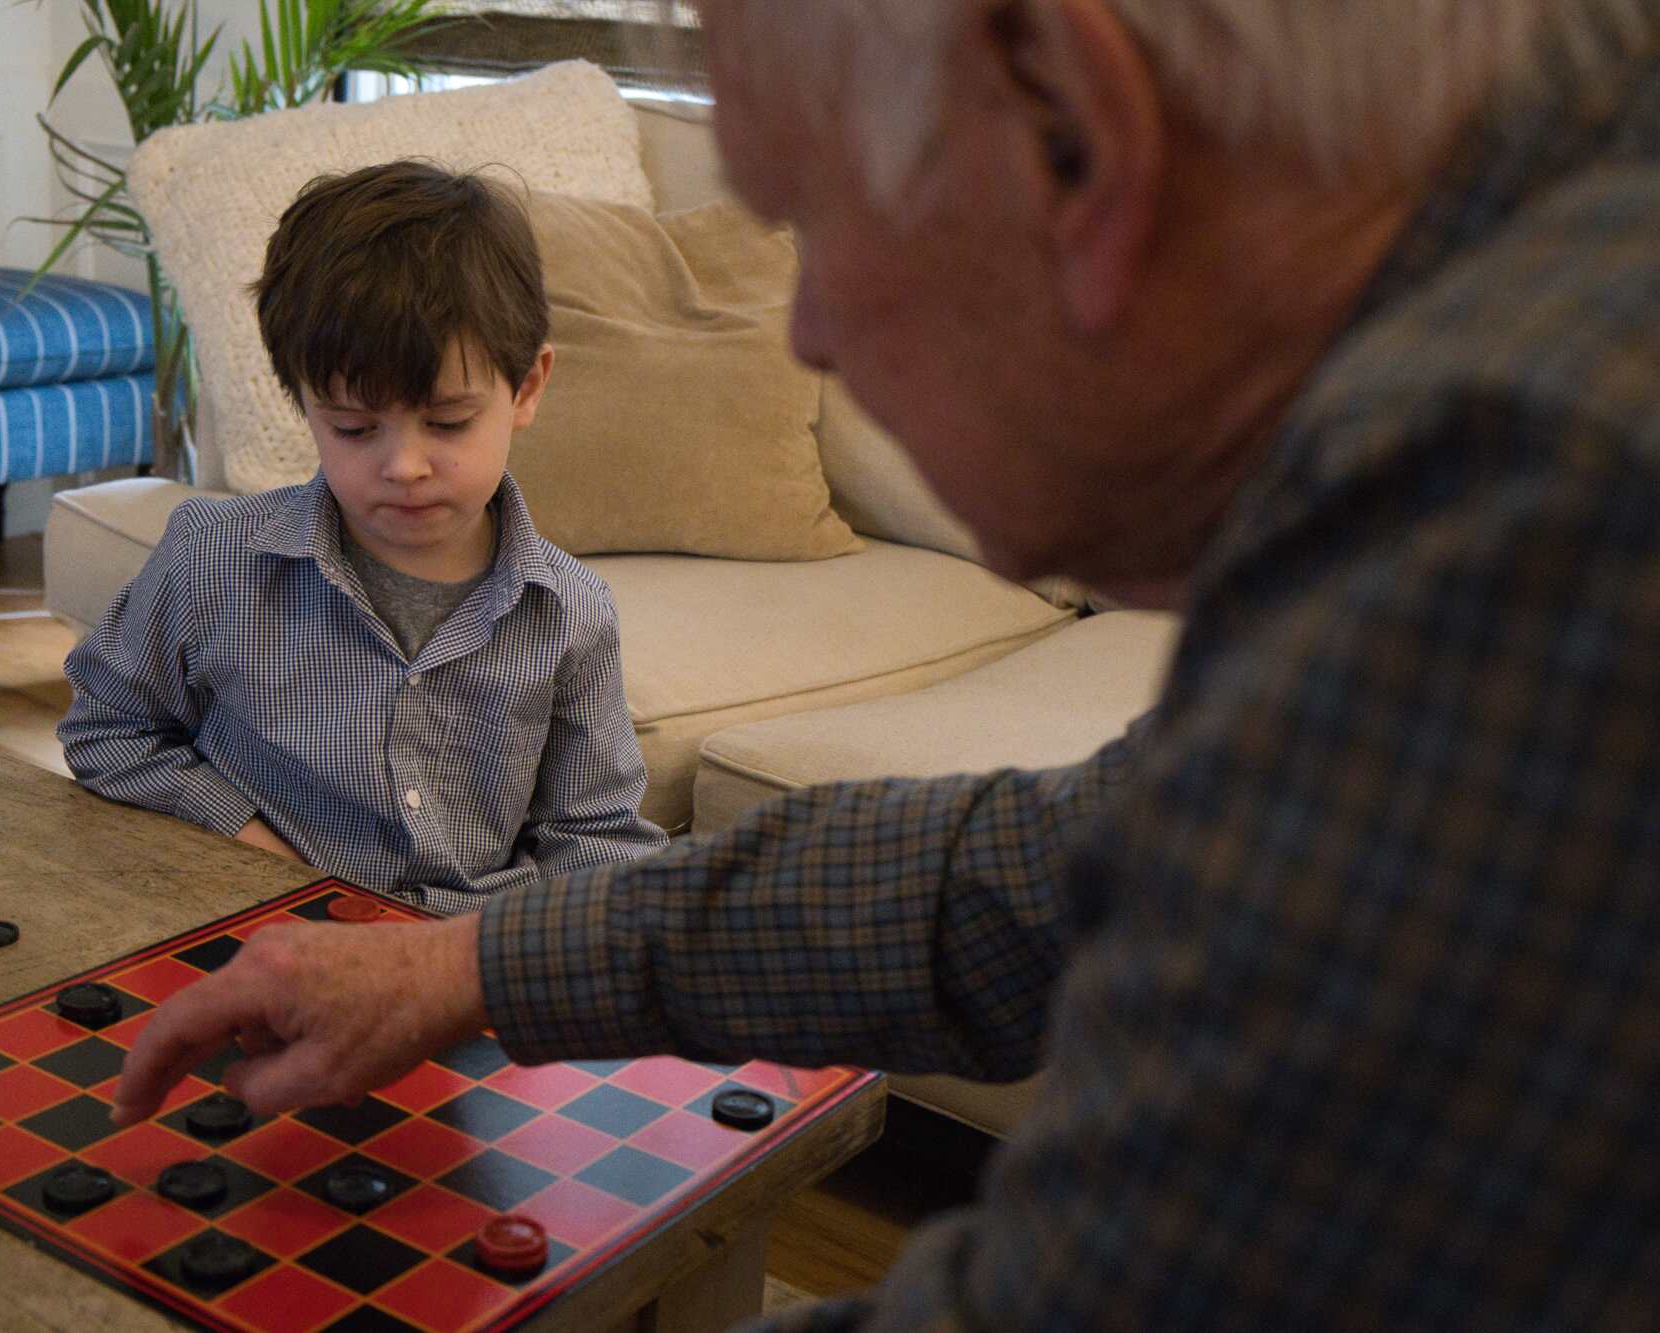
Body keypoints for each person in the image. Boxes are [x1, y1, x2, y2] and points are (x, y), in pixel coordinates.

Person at [113, 1, 1660, 1326]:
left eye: (824, 230)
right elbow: (1076, 868)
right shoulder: (1515, 326)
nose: (817, 335)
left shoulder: (1535, 499)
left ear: (1078, 129)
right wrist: (468, 963)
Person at [61, 161, 666, 914]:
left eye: (447, 423)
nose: (404, 466)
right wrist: (261, 854)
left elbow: (595, 837)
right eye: (353, 427)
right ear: (304, 402)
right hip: (261, 936)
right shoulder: (212, 558)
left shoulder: (570, 611)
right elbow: (110, 730)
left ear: (528, 389)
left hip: (462, 968)